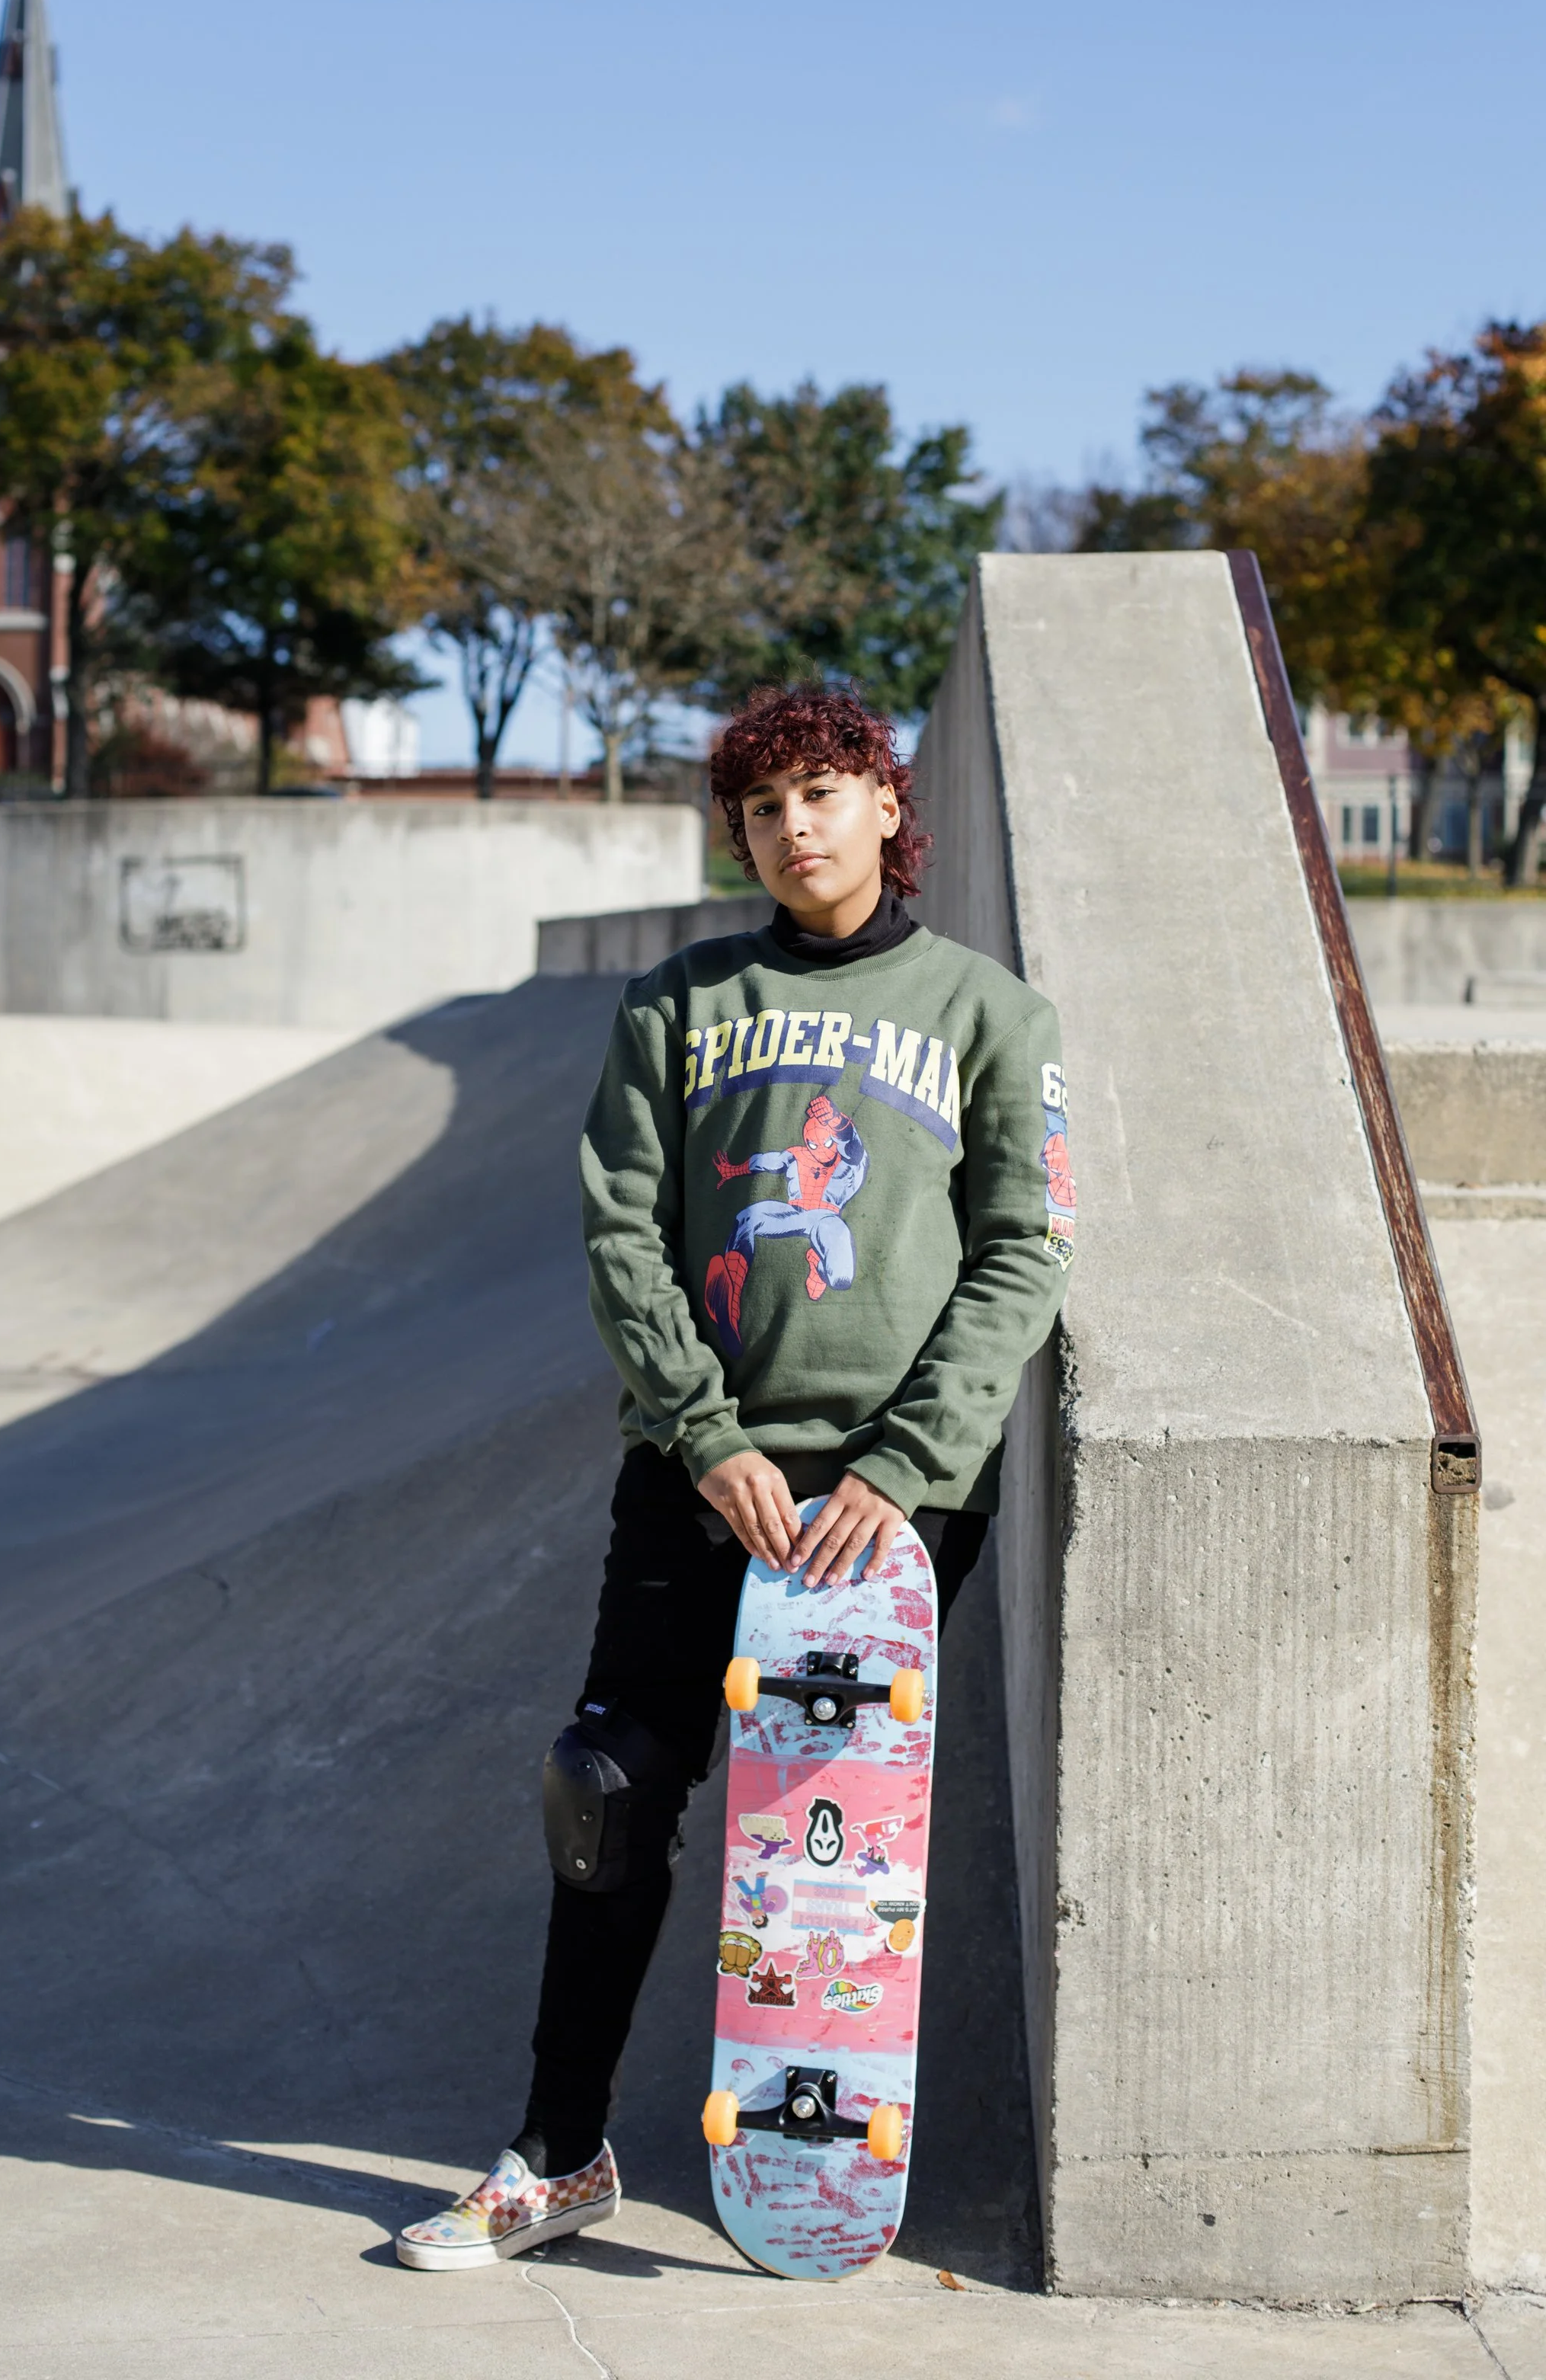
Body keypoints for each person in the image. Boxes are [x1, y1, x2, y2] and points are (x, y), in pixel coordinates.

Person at [395, 683, 1075, 2271]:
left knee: (823, 1838)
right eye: (763, 808)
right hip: (697, 1469)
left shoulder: (991, 1014)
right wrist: (707, 1438)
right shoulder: (677, 1006)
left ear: (890, 807)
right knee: (609, 1787)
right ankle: (558, 2156)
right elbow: (623, 1235)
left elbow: (1023, 1256)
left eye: (824, 792)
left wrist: (905, 1469)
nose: (795, 828)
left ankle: (819, 2169)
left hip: (886, 1507)